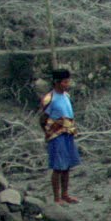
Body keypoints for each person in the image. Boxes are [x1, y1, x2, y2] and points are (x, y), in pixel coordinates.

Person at [39, 68, 80, 204]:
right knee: (58, 167)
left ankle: (65, 194)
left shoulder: (66, 96)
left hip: (68, 133)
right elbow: (43, 119)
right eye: (65, 82)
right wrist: (49, 132)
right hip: (56, 136)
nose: (67, 84)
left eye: (68, 81)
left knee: (67, 166)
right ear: (57, 82)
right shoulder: (49, 99)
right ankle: (56, 198)